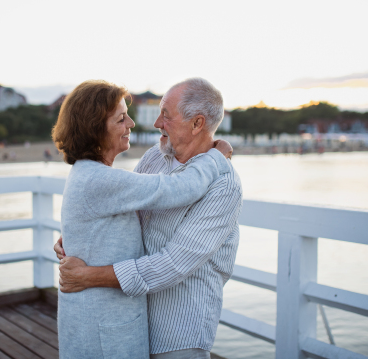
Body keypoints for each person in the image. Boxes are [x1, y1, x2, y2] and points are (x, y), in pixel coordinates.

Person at [57, 78, 243, 359]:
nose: (155, 123)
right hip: (129, 321)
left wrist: (89, 275)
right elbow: (132, 209)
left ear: (197, 124)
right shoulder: (155, 157)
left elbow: (173, 265)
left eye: (166, 115)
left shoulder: (224, 184)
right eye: (122, 118)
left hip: (177, 333)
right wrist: (82, 235)